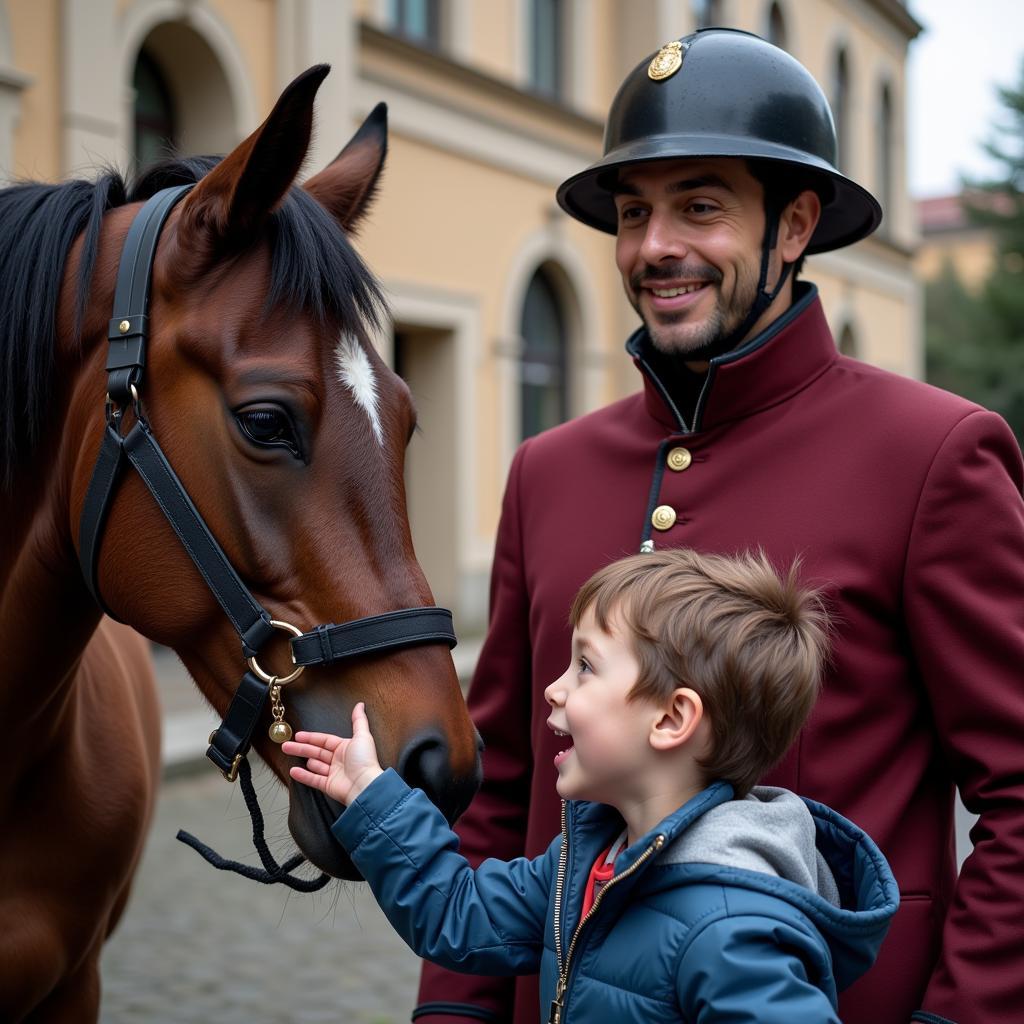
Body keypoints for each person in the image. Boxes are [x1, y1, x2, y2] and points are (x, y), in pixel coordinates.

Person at [415, 27, 1024, 1024]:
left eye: (700, 207)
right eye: (633, 213)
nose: (655, 247)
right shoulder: (546, 472)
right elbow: (500, 790)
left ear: (793, 225)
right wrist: (454, 1013)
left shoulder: (931, 454)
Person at [285, 549, 898, 1023]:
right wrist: (372, 794)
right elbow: (463, 917)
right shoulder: (593, 861)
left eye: (585, 665)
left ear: (671, 719)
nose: (553, 690)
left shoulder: (731, 931)